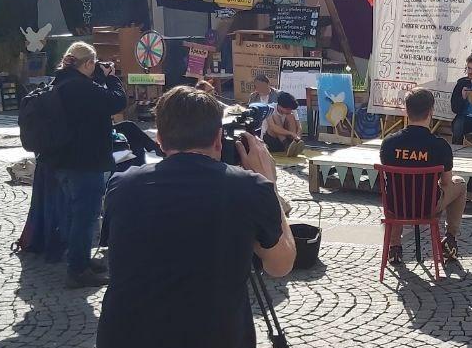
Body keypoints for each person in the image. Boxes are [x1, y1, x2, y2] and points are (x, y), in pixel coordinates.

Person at [97, 86, 296, 347]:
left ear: (159, 138)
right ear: (217, 139)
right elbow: (280, 265)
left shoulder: (122, 186)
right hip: (214, 335)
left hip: (127, 335)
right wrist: (269, 183)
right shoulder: (247, 189)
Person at [38, 42, 127, 288]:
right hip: (85, 162)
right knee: (86, 216)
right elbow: (116, 102)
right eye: (94, 64)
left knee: (73, 213)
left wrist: (98, 76)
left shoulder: (60, 81)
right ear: (87, 63)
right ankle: (78, 270)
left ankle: (79, 258)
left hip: (63, 160)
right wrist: (112, 79)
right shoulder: (82, 87)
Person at [379, 88, 468, 263]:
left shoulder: (388, 143)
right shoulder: (440, 146)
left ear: (406, 110)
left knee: (397, 189)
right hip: (428, 206)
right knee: (460, 183)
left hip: (396, 206)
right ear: (431, 112)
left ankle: (395, 247)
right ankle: (450, 238)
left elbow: (389, 178)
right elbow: (446, 182)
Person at [262, 91, 305, 157]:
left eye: (291, 109)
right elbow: (272, 127)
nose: (290, 111)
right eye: (287, 109)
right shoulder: (269, 108)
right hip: (271, 140)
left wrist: (297, 137)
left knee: (290, 116)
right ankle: (286, 144)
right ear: (279, 105)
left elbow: (299, 126)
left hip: (288, 139)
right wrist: (291, 133)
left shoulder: (291, 110)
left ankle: (292, 143)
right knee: (276, 117)